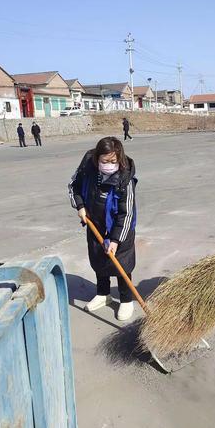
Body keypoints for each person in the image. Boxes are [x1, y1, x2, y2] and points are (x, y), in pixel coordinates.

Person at [68, 136, 137, 321]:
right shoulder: (87, 170)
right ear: (97, 158)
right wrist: (80, 206)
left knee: (122, 263)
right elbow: (73, 187)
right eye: (104, 161)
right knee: (99, 259)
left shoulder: (125, 179)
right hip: (95, 223)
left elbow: (126, 213)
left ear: (119, 159)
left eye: (113, 161)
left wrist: (115, 240)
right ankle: (103, 293)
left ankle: (126, 299)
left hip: (120, 228)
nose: (108, 165)